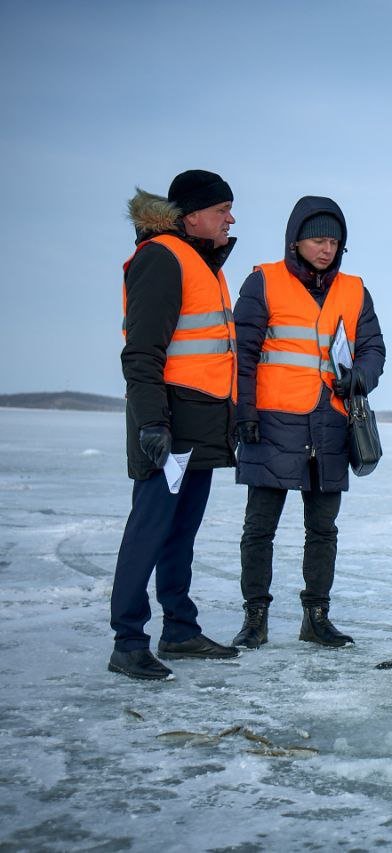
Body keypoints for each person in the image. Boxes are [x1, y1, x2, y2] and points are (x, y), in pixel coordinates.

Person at [230, 197, 386, 649]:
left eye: (335, 242)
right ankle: (254, 618)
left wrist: (360, 377)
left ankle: (315, 618)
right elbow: (243, 354)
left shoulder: (355, 290)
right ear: (295, 240)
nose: (327, 249)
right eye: (319, 240)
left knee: (323, 529)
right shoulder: (263, 282)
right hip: (273, 422)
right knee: (260, 527)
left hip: (331, 423)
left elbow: (373, 348)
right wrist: (243, 412)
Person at [111, 170, 242, 680]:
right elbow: (142, 352)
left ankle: (180, 629)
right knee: (149, 529)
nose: (230, 218)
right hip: (167, 424)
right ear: (191, 216)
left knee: (180, 533)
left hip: (200, 422)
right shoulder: (162, 259)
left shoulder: (202, 264)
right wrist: (151, 422)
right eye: (222, 209)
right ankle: (127, 640)